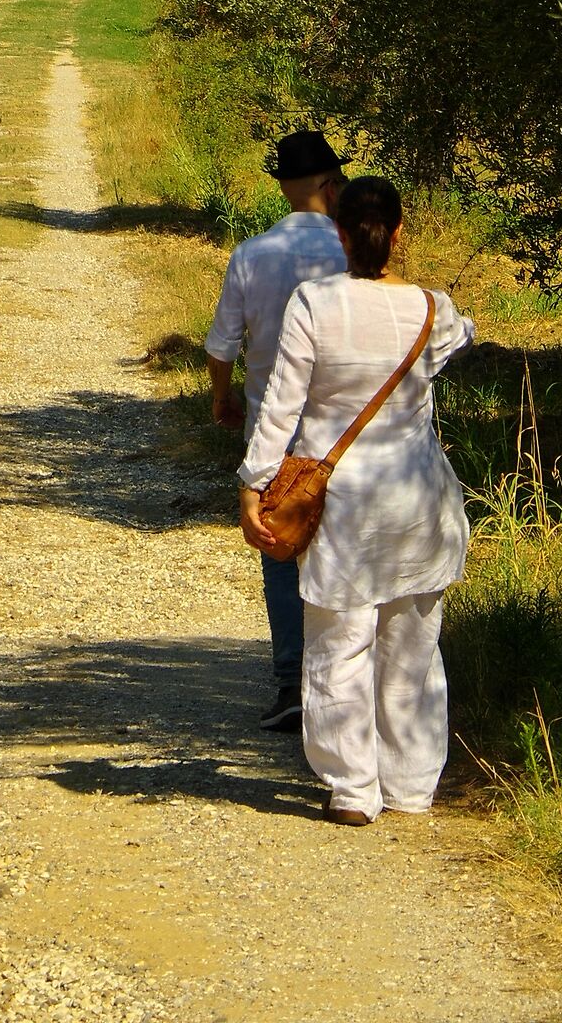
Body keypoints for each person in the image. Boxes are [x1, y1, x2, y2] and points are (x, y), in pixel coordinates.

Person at [237, 175, 475, 826]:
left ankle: (351, 789)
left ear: (340, 233)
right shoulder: (434, 309)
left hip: (341, 505)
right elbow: (461, 338)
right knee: (414, 650)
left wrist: (255, 483)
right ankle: (411, 787)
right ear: (398, 234)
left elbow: (281, 404)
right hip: (419, 502)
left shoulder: (313, 305)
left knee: (340, 641)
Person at [204, 129, 347, 731]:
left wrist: (221, 394)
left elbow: (221, 345)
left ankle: (292, 682)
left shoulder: (251, 254)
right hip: (344, 434)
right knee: (343, 553)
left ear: (285, 187)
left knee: (280, 548)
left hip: (275, 429)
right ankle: (341, 686)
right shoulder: (352, 252)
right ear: (330, 184)